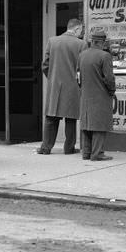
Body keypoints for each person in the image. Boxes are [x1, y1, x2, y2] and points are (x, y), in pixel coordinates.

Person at [37, 18, 84, 155]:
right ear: (76, 29)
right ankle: (69, 148)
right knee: (71, 118)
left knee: (51, 117)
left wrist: (52, 77)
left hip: (55, 85)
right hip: (73, 85)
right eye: (81, 30)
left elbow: (45, 65)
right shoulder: (81, 44)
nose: (81, 32)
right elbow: (82, 67)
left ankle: (46, 147)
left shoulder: (52, 41)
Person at [78, 27, 116, 161]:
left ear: (92, 41)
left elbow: (78, 75)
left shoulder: (82, 55)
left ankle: (86, 153)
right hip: (100, 95)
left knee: (87, 124)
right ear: (102, 42)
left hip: (86, 95)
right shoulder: (105, 56)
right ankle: (97, 153)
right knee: (99, 124)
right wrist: (112, 91)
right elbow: (109, 78)